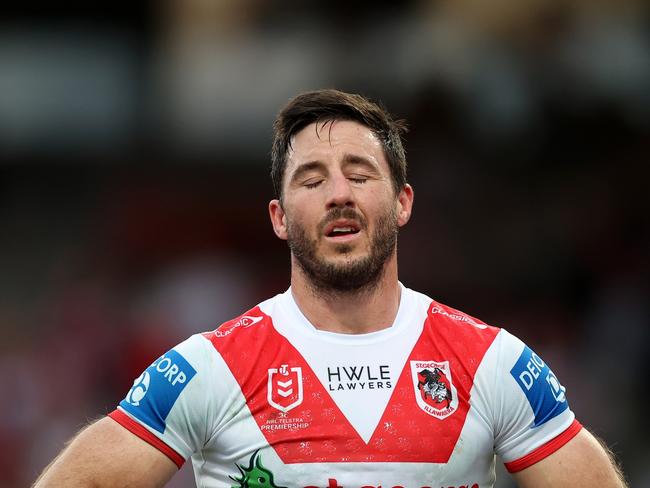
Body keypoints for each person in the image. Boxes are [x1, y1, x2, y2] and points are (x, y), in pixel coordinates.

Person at [34, 89, 627, 488]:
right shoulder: (210, 368)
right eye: (312, 179)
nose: (339, 193)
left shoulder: (493, 363)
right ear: (279, 217)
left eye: (360, 174)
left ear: (402, 203)